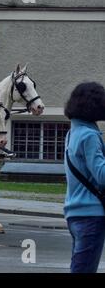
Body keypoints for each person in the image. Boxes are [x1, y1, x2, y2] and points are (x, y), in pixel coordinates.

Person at [64, 81, 105, 273]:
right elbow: (102, 175)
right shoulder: (89, 135)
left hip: (75, 214)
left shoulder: (72, 132)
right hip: (91, 215)